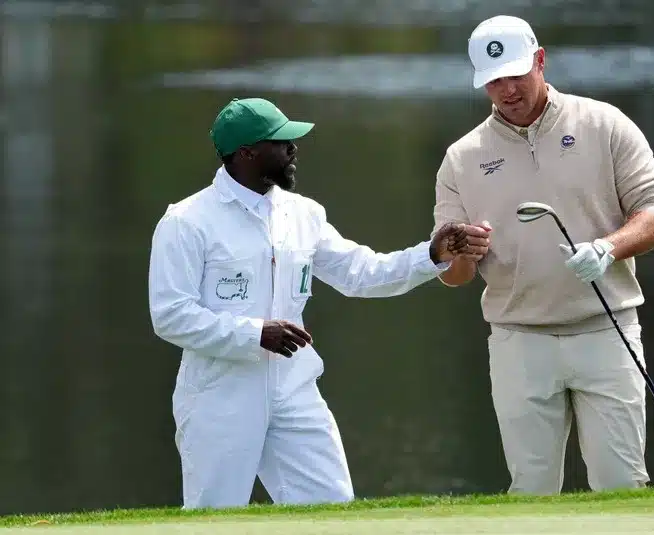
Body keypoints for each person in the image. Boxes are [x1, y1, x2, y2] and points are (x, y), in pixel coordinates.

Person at [148, 97, 490, 509]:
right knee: (214, 517)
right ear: (247, 153)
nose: (294, 149)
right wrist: (256, 334)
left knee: (332, 508)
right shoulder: (187, 221)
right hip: (219, 397)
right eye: (283, 141)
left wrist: (431, 255)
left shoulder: (303, 214)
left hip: (294, 390)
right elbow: (170, 315)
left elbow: (361, 273)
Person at [431, 15, 654, 494]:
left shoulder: (603, 124)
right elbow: (454, 275)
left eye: (516, 74)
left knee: (622, 485)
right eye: (494, 80)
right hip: (518, 341)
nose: (507, 90)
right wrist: (459, 250)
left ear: (540, 61)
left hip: (606, 330)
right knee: (531, 490)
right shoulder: (463, 156)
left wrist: (607, 248)